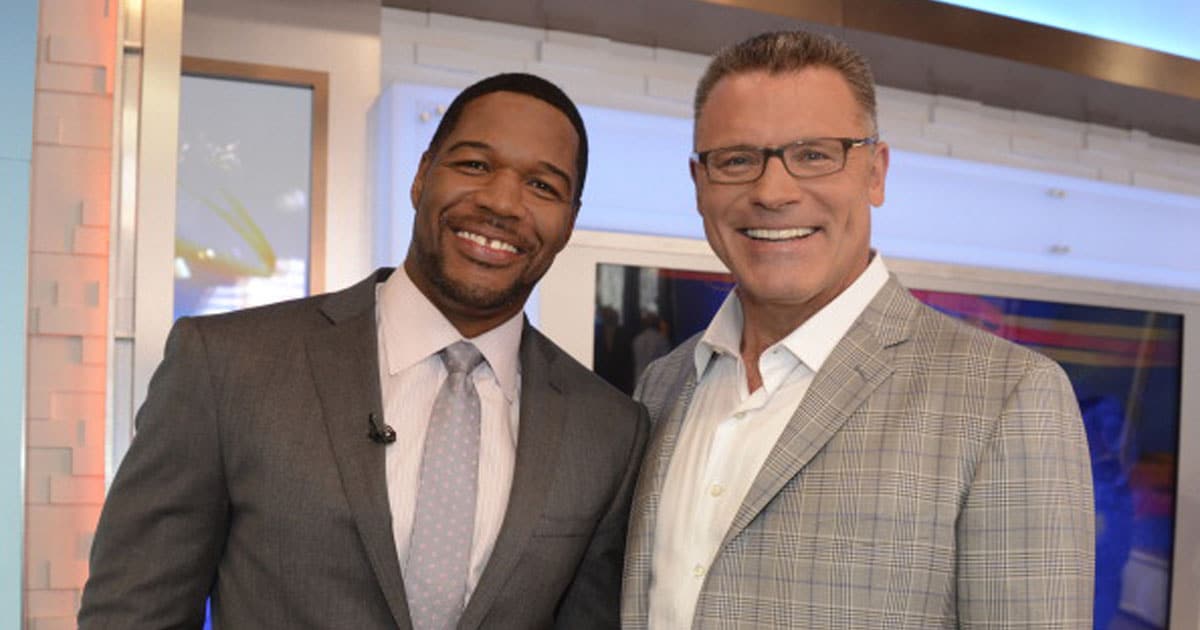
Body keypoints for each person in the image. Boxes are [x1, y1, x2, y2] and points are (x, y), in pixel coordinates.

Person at [79, 72, 649, 630]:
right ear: (422, 176)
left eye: (543, 186)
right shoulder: (228, 366)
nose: (502, 202)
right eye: (475, 164)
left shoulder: (607, 432)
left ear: (569, 221)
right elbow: (131, 613)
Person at [622, 31, 1094, 628]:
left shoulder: (1007, 397)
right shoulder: (662, 385)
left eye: (814, 154)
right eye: (737, 159)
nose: (772, 192)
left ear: (875, 172)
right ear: (699, 184)